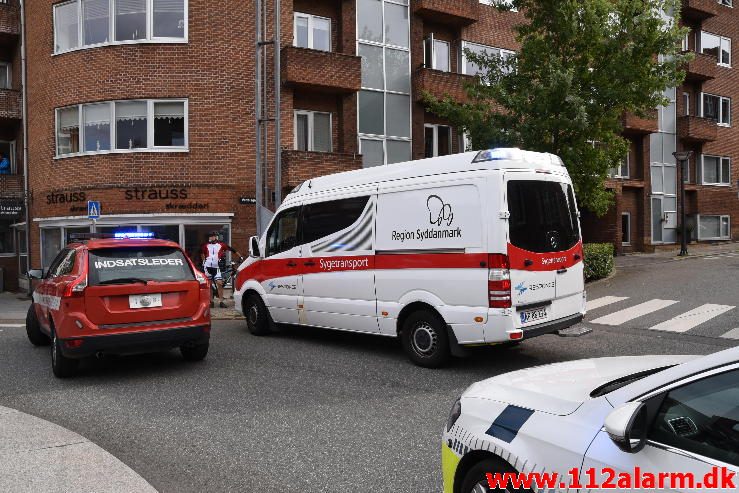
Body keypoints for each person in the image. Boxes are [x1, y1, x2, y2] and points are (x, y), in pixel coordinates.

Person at [201, 231, 242, 308]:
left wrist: (240, 256)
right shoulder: (206, 245)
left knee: (219, 283)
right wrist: (203, 262)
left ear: (216, 237)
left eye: (213, 236)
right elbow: (202, 253)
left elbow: (232, 249)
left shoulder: (221, 245)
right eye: (210, 236)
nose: (211, 238)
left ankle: (221, 301)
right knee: (209, 285)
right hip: (207, 267)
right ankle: (211, 301)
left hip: (216, 267)